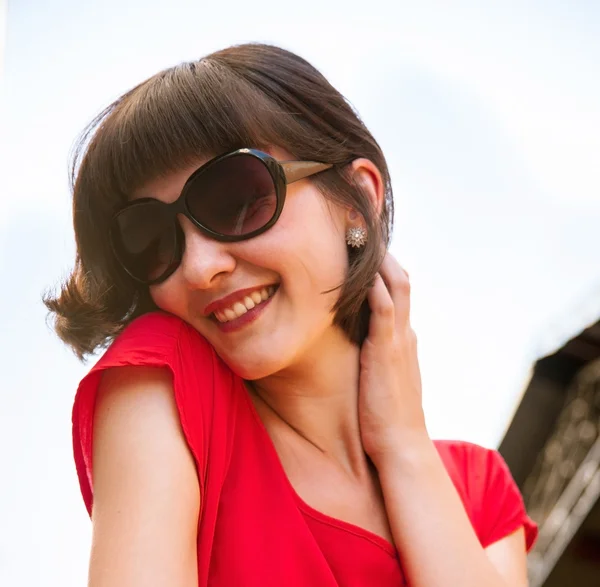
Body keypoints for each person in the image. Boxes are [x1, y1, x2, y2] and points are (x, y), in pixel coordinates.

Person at [45, 43, 537, 586]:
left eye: (238, 200)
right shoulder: (165, 381)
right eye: (153, 241)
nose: (199, 268)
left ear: (356, 200)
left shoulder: (479, 492)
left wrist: (404, 447)